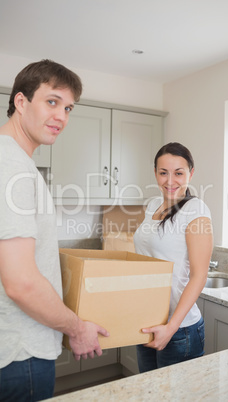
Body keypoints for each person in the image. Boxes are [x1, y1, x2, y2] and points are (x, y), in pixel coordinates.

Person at [0, 59, 109, 401]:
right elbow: (21, 283)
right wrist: (77, 328)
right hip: (22, 352)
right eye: (51, 101)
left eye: (68, 107)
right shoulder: (12, 167)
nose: (62, 116)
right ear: (20, 102)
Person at [133, 142, 213, 372]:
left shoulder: (195, 211)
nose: (170, 181)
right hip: (147, 321)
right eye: (163, 172)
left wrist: (170, 327)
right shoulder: (153, 205)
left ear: (191, 173)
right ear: (155, 173)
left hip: (179, 330)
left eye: (179, 173)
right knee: (150, 393)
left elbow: (199, 276)